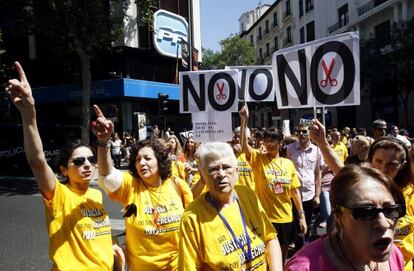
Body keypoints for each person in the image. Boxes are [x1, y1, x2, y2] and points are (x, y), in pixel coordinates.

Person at [5, 61, 122, 270]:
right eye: (78, 161)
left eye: (90, 159)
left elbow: (99, 237)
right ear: (63, 169)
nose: (87, 164)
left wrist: (115, 250)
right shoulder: (58, 196)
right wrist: (29, 114)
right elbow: (38, 162)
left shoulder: (95, 195)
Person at [92, 105, 193, 271]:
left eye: (147, 158)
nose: (142, 163)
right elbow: (107, 177)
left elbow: (192, 227)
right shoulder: (131, 185)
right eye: (138, 160)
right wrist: (103, 143)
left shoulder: (177, 185)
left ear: (160, 161)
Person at [310, 119, 414, 270]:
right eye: (379, 161)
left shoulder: (410, 193)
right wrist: (323, 143)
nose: (383, 169)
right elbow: (339, 168)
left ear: (402, 166)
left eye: (391, 165)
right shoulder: (361, 185)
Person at [178, 142, 283, 270]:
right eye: (213, 169)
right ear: (203, 176)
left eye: (226, 167)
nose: (221, 174)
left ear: (236, 171)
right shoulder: (192, 218)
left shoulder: (247, 194)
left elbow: (270, 238)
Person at [285, 165, 406, 271]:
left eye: (390, 210)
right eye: (365, 212)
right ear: (338, 216)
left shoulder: (394, 254)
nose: (384, 224)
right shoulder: (304, 267)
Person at [239, 104, 307, 264]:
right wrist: (244, 121)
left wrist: (302, 215)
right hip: (264, 219)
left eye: (273, 141)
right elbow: (244, 146)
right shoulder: (258, 159)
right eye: (267, 141)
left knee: (280, 260)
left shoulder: (288, 164)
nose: (270, 144)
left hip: (285, 218)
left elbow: (294, 191)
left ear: (280, 142)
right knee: (263, 258)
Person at [286, 123, 323, 242]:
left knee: (308, 223)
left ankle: (305, 247)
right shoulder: (289, 149)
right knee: (297, 225)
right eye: (299, 132)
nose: (301, 134)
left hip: (309, 194)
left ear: (309, 133)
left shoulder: (317, 150)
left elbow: (318, 174)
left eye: (304, 132)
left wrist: (317, 195)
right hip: (293, 194)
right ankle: (299, 249)